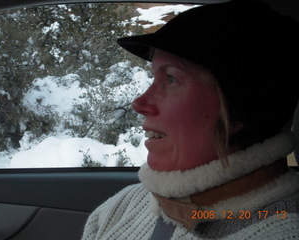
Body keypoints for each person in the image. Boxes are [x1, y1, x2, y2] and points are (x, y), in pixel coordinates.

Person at [81, 0, 299, 239]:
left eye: (171, 79)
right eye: (153, 77)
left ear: (237, 112)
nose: (139, 103)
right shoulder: (123, 206)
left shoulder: (284, 231)